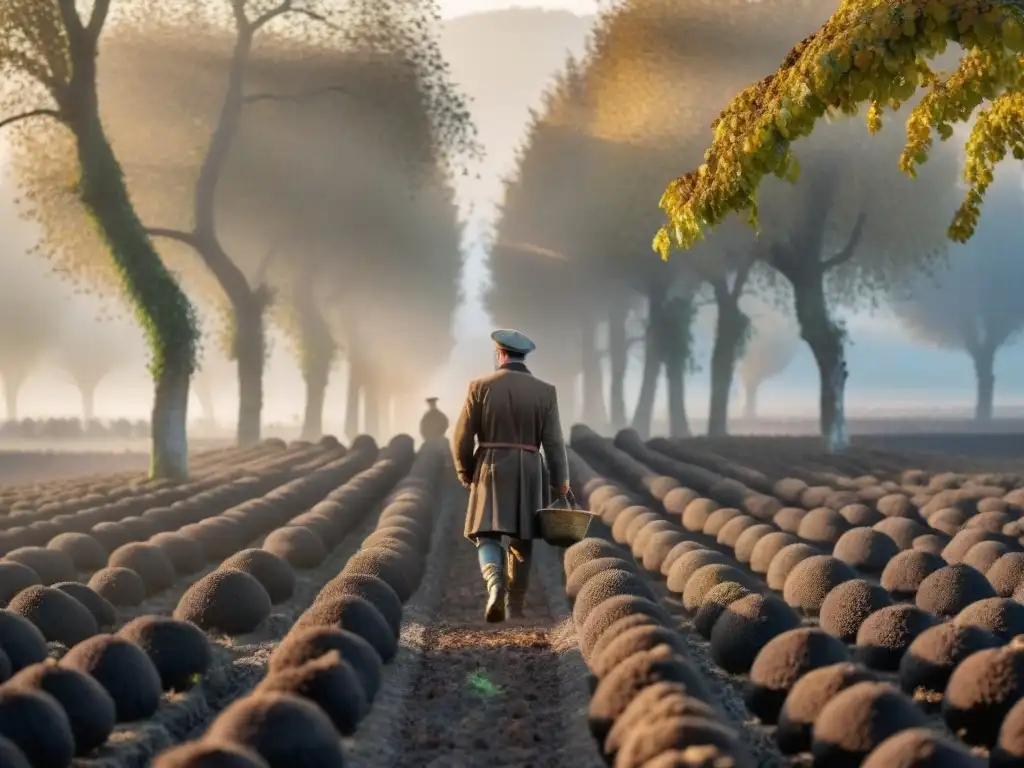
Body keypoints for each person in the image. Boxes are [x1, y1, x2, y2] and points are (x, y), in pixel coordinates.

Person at [452, 328, 570, 623]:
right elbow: (554, 443)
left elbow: (462, 437)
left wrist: (465, 470)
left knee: (487, 536)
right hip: (529, 468)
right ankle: (515, 604)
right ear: (523, 355)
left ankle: (495, 586)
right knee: (522, 540)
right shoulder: (546, 391)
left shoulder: (479, 386)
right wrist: (560, 482)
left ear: (500, 353)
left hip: (491, 466)